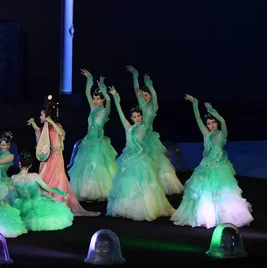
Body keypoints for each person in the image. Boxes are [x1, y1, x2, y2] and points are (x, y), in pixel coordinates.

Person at [171, 96, 253, 228]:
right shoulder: (206, 134)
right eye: (209, 123)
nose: (211, 125)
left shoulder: (222, 134)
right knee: (203, 193)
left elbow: (224, 121)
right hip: (206, 166)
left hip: (220, 168)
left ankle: (223, 216)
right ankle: (206, 216)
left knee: (221, 192)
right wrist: (195, 104)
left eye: (213, 122)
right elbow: (198, 119)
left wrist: (213, 111)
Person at [106, 86, 174, 221]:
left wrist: (142, 93)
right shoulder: (128, 127)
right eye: (135, 116)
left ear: (142, 116)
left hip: (141, 159)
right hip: (128, 159)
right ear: (131, 117)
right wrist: (115, 97)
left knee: (143, 183)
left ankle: (145, 208)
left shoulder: (144, 126)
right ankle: (126, 208)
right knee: (127, 183)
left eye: (139, 116)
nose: (137, 118)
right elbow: (120, 113)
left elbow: (144, 107)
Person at [27, 98, 100, 217]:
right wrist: (34, 123)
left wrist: (51, 121)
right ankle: (46, 202)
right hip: (48, 158)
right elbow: (40, 136)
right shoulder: (45, 128)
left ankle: (59, 202)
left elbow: (61, 133)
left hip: (56, 157)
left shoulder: (56, 126)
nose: (40, 117)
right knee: (45, 178)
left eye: (41, 115)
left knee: (58, 178)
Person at [126, 66, 183, 195]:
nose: (145, 97)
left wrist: (149, 86)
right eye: (144, 95)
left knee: (155, 161)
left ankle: (157, 186)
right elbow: (136, 91)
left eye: (147, 95)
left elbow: (154, 95)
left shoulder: (153, 107)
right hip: (140, 138)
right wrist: (135, 75)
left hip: (150, 138)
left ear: (151, 96)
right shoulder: (141, 106)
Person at [68, 70, 117, 202]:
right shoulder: (92, 108)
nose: (95, 101)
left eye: (98, 99)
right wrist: (89, 78)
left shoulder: (105, 111)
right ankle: (86, 193)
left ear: (102, 100)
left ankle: (99, 192)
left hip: (99, 143)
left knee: (96, 166)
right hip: (88, 142)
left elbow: (109, 100)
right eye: (94, 98)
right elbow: (86, 93)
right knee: (85, 168)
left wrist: (103, 89)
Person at [12, 151, 74, 231]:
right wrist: (61, 192)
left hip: (22, 205)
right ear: (30, 165)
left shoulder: (14, 178)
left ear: (19, 163)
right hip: (37, 204)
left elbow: (16, 193)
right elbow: (47, 188)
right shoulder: (34, 176)